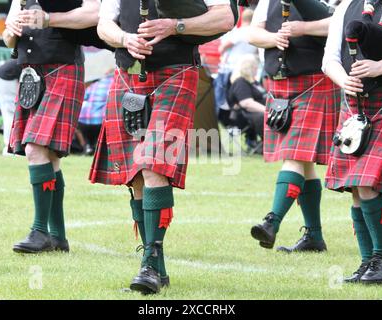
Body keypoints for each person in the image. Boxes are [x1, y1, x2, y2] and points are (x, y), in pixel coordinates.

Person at [90, 0, 234, 294]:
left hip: (176, 72)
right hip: (128, 75)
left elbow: (225, 18)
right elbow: (104, 25)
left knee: (154, 163)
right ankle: (157, 267)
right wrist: (124, 38)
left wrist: (176, 26)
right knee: (137, 177)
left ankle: (149, 265)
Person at [322, 0, 382, 285]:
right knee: (356, 187)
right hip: (354, 102)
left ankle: (381, 259)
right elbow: (330, 59)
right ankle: (368, 262)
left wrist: (379, 67)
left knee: (366, 182)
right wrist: (344, 80)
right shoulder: (346, 6)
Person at [3, 0, 100, 254]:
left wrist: (49, 18)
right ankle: (57, 236)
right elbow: (8, 40)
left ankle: (40, 231)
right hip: (31, 75)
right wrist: (10, 30)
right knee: (50, 156)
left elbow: (94, 13)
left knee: (36, 148)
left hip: (63, 67)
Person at [248, 0, 340, 253]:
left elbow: (342, 23)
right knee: (304, 161)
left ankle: (271, 222)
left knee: (295, 155)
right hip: (281, 86)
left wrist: (303, 28)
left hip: (315, 81)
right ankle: (314, 236)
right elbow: (253, 32)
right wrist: (273, 38)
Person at [214, 8, 258, 114]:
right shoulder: (256, 33)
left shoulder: (239, 32)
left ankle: (222, 118)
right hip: (248, 71)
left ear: (242, 18)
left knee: (223, 99)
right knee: (243, 98)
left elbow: (222, 47)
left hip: (231, 70)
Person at [227, 54, 265, 150]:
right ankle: (267, 145)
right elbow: (247, 103)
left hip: (254, 113)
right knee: (266, 116)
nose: (257, 69)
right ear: (250, 67)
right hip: (244, 116)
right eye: (256, 67)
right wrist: (267, 110)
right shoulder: (241, 82)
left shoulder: (253, 82)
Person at [78, 74, 113, 155]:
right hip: (100, 119)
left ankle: (88, 147)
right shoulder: (114, 84)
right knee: (99, 135)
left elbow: (84, 97)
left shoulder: (93, 85)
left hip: (83, 119)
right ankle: (98, 148)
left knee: (87, 134)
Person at [0, 60, 21, 156]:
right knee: (11, 114)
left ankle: (10, 146)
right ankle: (10, 147)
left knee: (8, 113)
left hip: (0, 76)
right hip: (5, 78)